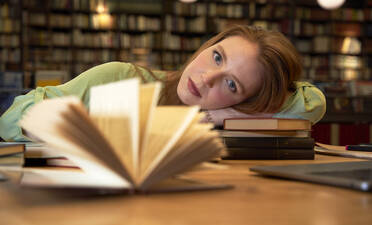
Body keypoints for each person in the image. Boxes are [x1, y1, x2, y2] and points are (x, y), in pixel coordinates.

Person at [0, 25, 326, 141]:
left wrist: (230, 116)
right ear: (208, 45)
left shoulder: (222, 115)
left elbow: (313, 102)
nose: (207, 78)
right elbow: (12, 119)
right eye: (216, 57)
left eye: (231, 85)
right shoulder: (119, 77)